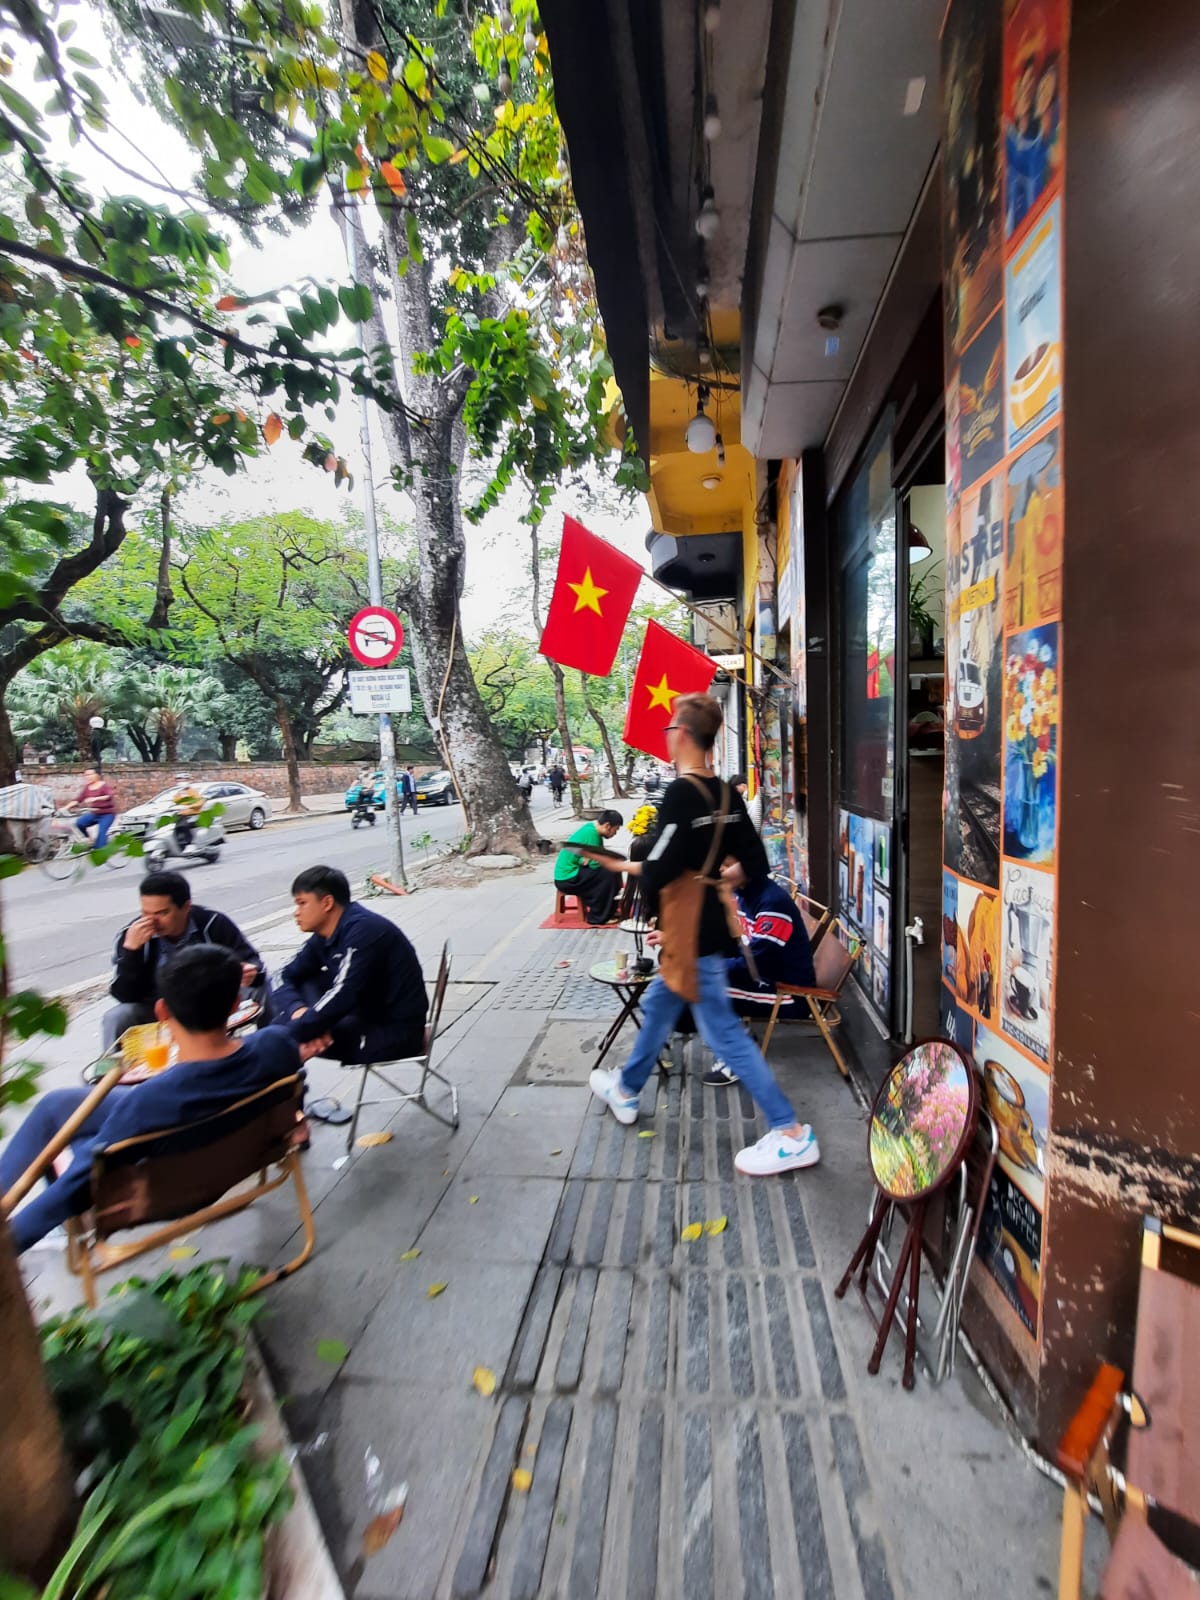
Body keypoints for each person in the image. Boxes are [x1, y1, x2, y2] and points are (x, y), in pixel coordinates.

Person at [587, 693, 819, 1177]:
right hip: (713, 928)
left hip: (690, 934)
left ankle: (791, 1132)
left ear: (684, 735)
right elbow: (755, 863)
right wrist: (724, 877)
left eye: (671, 727)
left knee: (725, 1036)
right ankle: (627, 1088)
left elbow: (658, 870)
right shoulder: (726, 796)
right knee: (658, 1007)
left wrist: (622, 864)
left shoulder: (682, 794)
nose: (667, 735)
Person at [0, 946, 325, 1254]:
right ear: (234, 1005)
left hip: (176, 1179)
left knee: (83, 1142)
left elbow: (84, 1180)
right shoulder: (276, 1043)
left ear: (161, 1011)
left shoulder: (147, 1100)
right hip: (230, 1142)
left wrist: (11, 1244)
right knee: (56, 1105)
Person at [273, 865, 428, 1063]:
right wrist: (297, 1010)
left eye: (302, 903)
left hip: (394, 1033)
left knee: (279, 1044)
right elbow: (281, 975)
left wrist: (298, 1031)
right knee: (297, 989)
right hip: (362, 1015)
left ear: (327, 902)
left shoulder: (364, 931)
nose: (297, 912)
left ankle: (275, 1073)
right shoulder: (325, 933)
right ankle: (294, 1037)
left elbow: (344, 993)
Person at [103, 872, 266, 1050]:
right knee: (118, 1016)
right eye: (145, 913)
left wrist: (250, 972)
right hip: (160, 1010)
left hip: (213, 1006)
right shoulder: (133, 935)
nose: (152, 922)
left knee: (259, 989)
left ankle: (275, 1055)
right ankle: (109, 1076)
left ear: (186, 907)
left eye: (162, 913)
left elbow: (255, 966)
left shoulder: (212, 924)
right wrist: (131, 952)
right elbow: (123, 996)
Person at [700, 858, 817, 1087]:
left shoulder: (772, 903)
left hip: (790, 994)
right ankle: (737, 1037)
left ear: (748, 864)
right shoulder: (745, 893)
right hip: (766, 979)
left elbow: (754, 961)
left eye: (727, 865)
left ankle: (738, 1058)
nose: (721, 871)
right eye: (720, 865)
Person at [554, 809, 624, 925]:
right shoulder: (592, 835)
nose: (614, 834)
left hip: (575, 872)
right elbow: (595, 863)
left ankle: (609, 909)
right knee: (607, 874)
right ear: (607, 826)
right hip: (568, 877)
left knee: (611, 870)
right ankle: (598, 917)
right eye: (615, 830)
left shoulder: (591, 828)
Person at [71, 767, 117, 848]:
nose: (88, 777)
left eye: (90, 774)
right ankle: (90, 839)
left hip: (107, 814)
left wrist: (95, 798)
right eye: (86, 775)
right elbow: (79, 799)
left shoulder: (103, 785)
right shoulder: (87, 787)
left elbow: (109, 796)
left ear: (97, 775)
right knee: (80, 823)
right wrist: (65, 807)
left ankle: (101, 851)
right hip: (94, 813)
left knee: (101, 833)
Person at [169, 778, 206, 854]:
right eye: (179, 781)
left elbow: (200, 802)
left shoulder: (193, 791)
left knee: (184, 825)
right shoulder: (178, 794)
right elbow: (173, 802)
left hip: (193, 814)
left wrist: (191, 806)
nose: (181, 782)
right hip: (181, 815)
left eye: (183, 780)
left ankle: (190, 844)